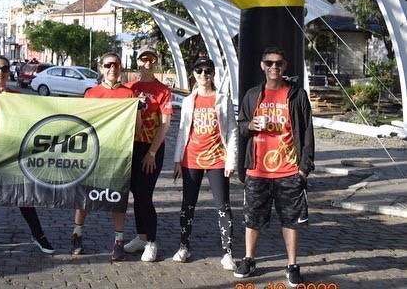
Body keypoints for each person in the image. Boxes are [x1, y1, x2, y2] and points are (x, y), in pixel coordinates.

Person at [234, 47, 314, 287]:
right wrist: (251, 125)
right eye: (269, 63)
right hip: (258, 169)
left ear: (285, 65)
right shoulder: (252, 95)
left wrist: (304, 168)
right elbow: (240, 126)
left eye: (278, 63)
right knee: (252, 218)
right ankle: (249, 259)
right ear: (262, 66)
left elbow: (307, 132)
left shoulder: (297, 95)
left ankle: (292, 265)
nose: (274, 67)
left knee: (291, 220)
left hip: (289, 169)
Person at [0, 56, 55, 255]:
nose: (0, 73)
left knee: (22, 195)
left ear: (9, 73)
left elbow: (34, 120)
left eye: (4, 69)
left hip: (11, 153)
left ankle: (39, 235)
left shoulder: (17, 96)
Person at [71, 52, 140, 261]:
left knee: (117, 198)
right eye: (108, 65)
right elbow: (83, 123)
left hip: (118, 155)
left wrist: (138, 109)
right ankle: (77, 235)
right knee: (84, 197)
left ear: (120, 68)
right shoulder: (91, 93)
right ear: (101, 68)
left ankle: (119, 241)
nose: (112, 69)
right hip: (94, 153)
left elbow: (137, 127)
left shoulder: (129, 94)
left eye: (116, 65)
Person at [171, 56, 238, 271]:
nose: (203, 75)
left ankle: (227, 253)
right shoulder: (188, 101)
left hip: (217, 158)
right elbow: (182, 130)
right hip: (191, 158)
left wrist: (231, 160)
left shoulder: (223, 99)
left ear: (213, 74)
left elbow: (232, 130)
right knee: (188, 204)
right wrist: (177, 159)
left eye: (207, 71)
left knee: (223, 205)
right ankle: (184, 246)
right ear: (193, 74)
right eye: (199, 71)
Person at [122, 46, 173, 262]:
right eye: (144, 59)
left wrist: (152, 152)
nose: (148, 63)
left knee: (145, 194)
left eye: (152, 59)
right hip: (131, 147)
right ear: (138, 62)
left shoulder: (163, 90)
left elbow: (165, 124)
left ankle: (152, 241)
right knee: (135, 193)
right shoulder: (129, 88)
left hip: (151, 147)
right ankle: (141, 237)